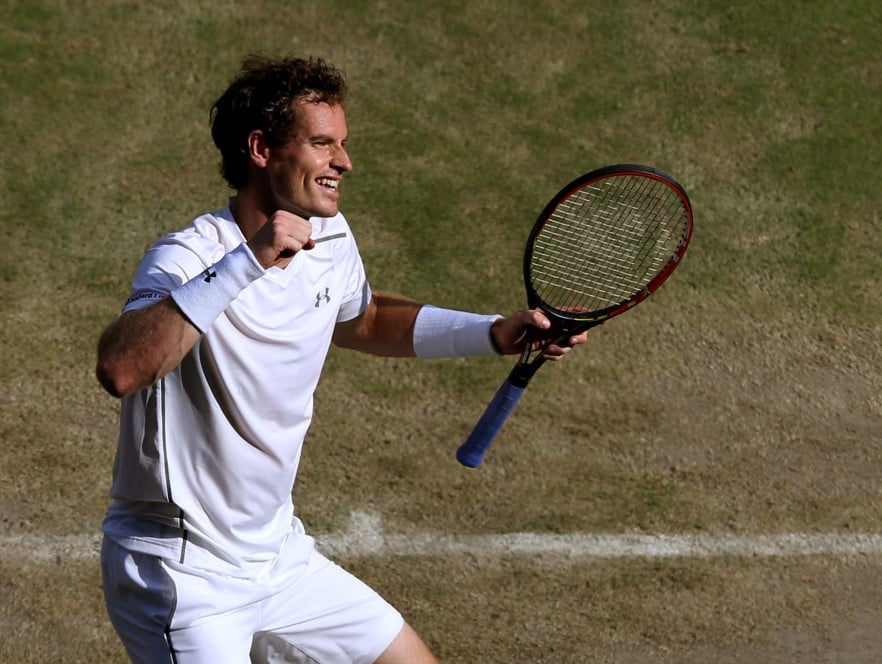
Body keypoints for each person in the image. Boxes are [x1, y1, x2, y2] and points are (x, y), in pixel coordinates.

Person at [95, 55, 586, 664]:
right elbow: (121, 368)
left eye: (343, 145)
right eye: (323, 144)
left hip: (278, 556)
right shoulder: (189, 257)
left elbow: (365, 318)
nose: (344, 163)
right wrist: (250, 261)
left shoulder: (328, 237)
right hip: (184, 573)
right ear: (261, 149)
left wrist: (491, 332)